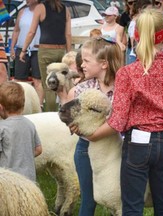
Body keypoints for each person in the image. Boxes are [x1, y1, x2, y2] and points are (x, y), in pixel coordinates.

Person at [71, 8, 163, 216]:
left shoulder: (127, 73)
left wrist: (89, 134)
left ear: (135, 36)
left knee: (132, 206)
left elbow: (118, 120)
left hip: (137, 144)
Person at [69, 37, 123, 216]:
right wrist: (73, 125)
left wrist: (93, 133)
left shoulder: (123, 88)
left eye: (86, 61)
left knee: (115, 195)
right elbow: (73, 118)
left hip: (116, 148)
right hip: (86, 149)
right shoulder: (81, 89)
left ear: (104, 64)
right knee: (89, 197)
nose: (81, 65)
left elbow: (120, 118)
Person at [20, 0, 72, 112]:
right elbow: (68, 34)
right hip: (61, 50)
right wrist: (68, 53)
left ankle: (51, 114)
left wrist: (23, 50)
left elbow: (31, 32)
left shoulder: (40, 8)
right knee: (61, 84)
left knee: (48, 85)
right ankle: (63, 111)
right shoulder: (65, 9)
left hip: (46, 51)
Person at [0, 81, 42, 182]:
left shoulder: (2, 128)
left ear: (1, 107)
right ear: (23, 105)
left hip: (8, 180)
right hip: (29, 180)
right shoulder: (30, 124)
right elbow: (39, 149)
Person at [10, 0, 44, 109]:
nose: (27, 0)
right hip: (21, 48)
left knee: (37, 80)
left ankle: (39, 105)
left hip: (37, 49)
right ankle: (19, 104)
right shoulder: (22, 12)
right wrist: (12, 48)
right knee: (19, 79)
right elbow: (16, 30)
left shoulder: (43, 11)